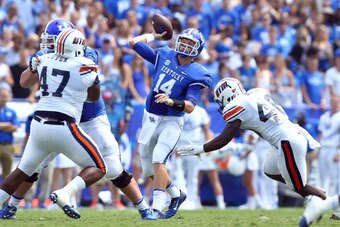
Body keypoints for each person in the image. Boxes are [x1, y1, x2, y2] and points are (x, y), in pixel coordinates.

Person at [0, 18, 156, 220]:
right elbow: (24, 81)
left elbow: (92, 95)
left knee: (113, 165)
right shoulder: (48, 54)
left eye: (53, 40)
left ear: (67, 41)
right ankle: (13, 205)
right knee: (33, 166)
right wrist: (32, 67)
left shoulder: (85, 54)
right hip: (65, 120)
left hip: (88, 118)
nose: (48, 44)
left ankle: (143, 207)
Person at [0, 28, 107, 219]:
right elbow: (93, 98)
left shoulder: (44, 58)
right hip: (64, 125)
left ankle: (8, 207)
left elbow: (28, 78)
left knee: (21, 171)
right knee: (99, 167)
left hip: (39, 124)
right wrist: (95, 81)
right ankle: (64, 193)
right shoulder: (84, 64)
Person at [178, 78, 327, 206]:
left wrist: (201, 148)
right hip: (283, 138)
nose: (221, 105)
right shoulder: (257, 92)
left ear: (227, 95)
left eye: (221, 100)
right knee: (270, 170)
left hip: (287, 141)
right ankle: (311, 193)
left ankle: (328, 202)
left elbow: (224, 139)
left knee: (298, 185)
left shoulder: (237, 106)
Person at [129, 28, 212, 218]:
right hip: (150, 117)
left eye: (191, 44)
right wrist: (155, 35)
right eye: (184, 41)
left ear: (197, 49)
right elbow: (133, 42)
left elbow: (190, 106)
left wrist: (171, 101)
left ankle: (157, 208)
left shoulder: (197, 73)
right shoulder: (165, 54)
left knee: (159, 160)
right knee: (148, 168)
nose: (185, 45)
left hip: (171, 120)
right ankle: (176, 194)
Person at [0, 87, 19, 180]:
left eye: (6, 96)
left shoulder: (12, 112)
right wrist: (7, 124)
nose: (4, 98)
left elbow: (15, 128)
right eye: (2, 96)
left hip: (8, 145)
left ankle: (3, 194)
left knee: (7, 174)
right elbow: (11, 126)